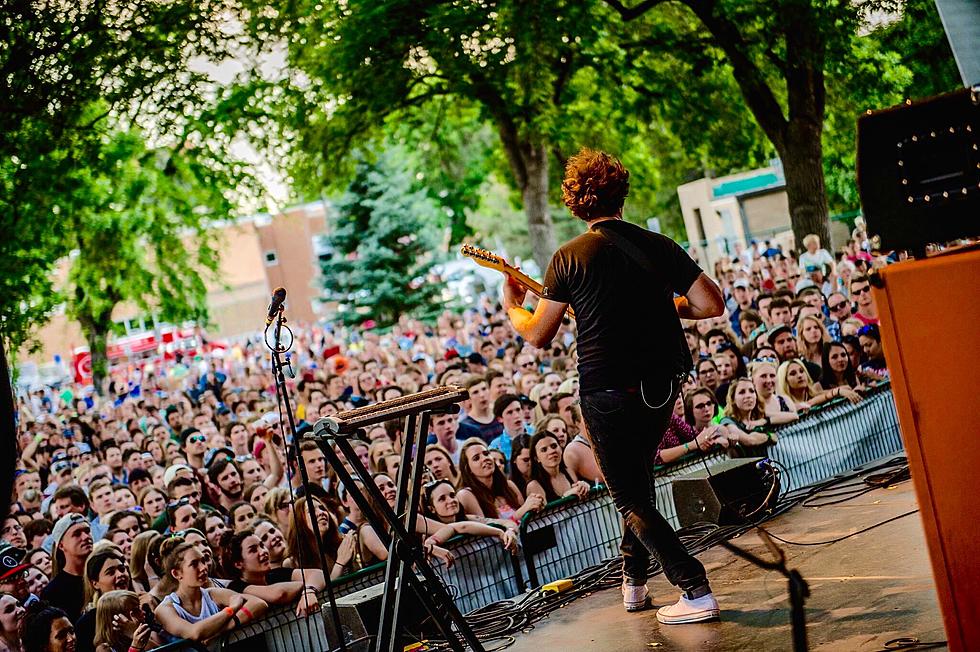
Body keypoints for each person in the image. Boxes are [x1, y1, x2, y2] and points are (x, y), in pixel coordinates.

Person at [502, 148, 725, 623]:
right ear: (622, 194)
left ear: (574, 203)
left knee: (628, 496)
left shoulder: (568, 258)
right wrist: (669, 307)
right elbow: (710, 304)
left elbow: (539, 334)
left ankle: (695, 589)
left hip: (607, 392)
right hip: (663, 386)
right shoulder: (658, 245)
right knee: (638, 482)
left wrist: (512, 307)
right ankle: (635, 582)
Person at [153, 539, 267, 643]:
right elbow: (194, 633)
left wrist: (223, 629)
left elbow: (259, 603)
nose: (203, 567)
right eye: (194, 564)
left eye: (203, 561)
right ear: (176, 573)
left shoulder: (212, 594)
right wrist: (231, 609)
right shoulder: (165, 609)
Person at [221, 530, 325, 618]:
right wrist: (305, 584)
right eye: (253, 550)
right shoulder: (236, 587)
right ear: (239, 564)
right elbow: (279, 594)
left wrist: (308, 592)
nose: (263, 552)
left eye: (262, 545)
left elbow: (318, 574)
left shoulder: (274, 574)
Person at [456, 440, 544, 523]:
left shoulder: (509, 485)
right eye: (476, 458)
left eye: (486, 454)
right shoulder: (465, 495)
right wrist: (521, 512)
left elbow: (526, 519)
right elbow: (488, 532)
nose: (484, 458)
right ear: (468, 469)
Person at [420, 480, 518, 553]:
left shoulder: (469, 518)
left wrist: (510, 531)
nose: (451, 500)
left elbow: (507, 522)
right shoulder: (429, 533)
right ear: (431, 508)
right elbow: (462, 527)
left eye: (452, 495)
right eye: (442, 499)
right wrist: (499, 532)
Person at [42, 514, 93, 623]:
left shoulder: (101, 575)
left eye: (87, 531)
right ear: (61, 545)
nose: (85, 537)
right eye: (77, 534)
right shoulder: (53, 591)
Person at [524, 432, 590, 503]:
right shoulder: (534, 485)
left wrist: (583, 487)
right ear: (536, 458)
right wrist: (566, 496)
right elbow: (546, 513)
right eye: (544, 450)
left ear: (561, 449)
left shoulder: (569, 471)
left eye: (554, 446)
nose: (551, 451)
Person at [777, 359, 860, 412]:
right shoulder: (782, 405)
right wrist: (837, 392)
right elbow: (807, 404)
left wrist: (856, 390)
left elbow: (846, 388)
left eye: (802, 371)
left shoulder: (815, 394)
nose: (799, 375)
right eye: (793, 374)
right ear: (785, 381)